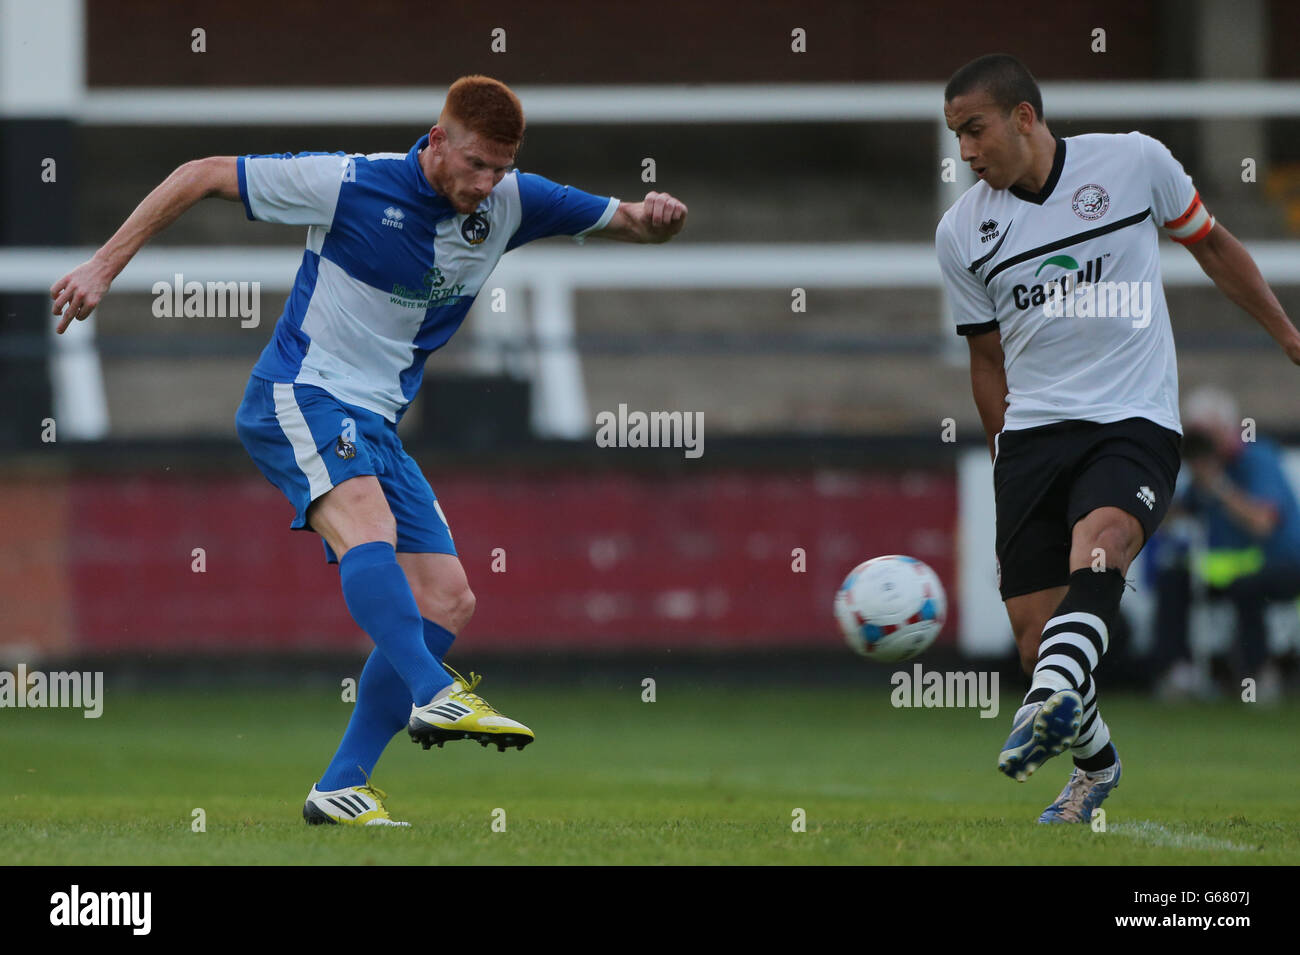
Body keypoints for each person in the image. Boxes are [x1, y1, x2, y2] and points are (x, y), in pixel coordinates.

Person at [50, 75, 688, 826]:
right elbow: (200, 175)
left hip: (376, 421)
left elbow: (630, 222)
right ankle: (433, 689)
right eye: (476, 164)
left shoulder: (514, 200)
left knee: (449, 597)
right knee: (369, 525)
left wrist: (656, 217)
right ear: (437, 139)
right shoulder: (349, 183)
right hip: (301, 391)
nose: (488, 184)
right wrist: (101, 267)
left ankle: (341, 785)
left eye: (502, 168)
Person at [935, 54, 1300, 823]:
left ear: (1024, 117)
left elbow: (1214, 247)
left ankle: (1040, 708)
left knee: (1100, 543)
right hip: (1033, 435)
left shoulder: (1134, 163)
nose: (965, 152)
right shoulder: (962, 231)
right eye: (956, 136)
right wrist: (1005, 460)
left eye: (975, 130)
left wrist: (1289, 337)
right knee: (1039, 642)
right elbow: (987, 357)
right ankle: (1094, 765)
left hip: (1132, 418)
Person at [1150, 386, 1300, 701]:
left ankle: (1258, 676)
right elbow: (1170, 517)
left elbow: (1263, 524)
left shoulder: (1256, 458)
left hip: (1281, 564)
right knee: (1172, 578)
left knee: (1248, 586)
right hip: (1231, 569)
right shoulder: (1204, 473)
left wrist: (1218, 485)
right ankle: (1179, 672)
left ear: (1226, 429)